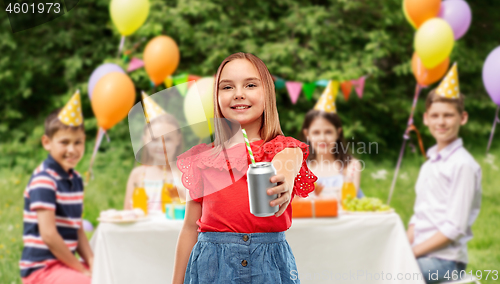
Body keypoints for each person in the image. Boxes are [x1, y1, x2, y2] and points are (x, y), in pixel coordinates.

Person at [172, 52, 318, 284]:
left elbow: (289, 157)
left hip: (269, 267)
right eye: (227, 87)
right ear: (217, 97)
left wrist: (284, 178)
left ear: (267, 93)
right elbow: (190, 227)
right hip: (212, 269)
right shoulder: (203, 159)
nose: (238, 94)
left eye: (250, 84)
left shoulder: (282, 149)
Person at [407, 64, 481, 284]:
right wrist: (402, 246)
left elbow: (454, 228)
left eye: (448, 115)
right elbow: (418, 216)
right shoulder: (429, 165)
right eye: (435, 115)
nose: (441, 122)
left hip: (446, 261)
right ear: (426, 118)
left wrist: (412, 253)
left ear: (463, 118)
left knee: (391, 275)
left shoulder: (463, 165)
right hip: (421, 252)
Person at [19, 92, 94, 284]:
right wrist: (80, 270)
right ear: (47, 142)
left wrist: (92, 262)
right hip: (41, 268)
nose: (72, 149)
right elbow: (49, 235)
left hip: (64, 264)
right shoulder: (44, 179)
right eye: (64, 142)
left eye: (78, 142)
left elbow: (77, 228)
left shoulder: (75, 179)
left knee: (109, 274)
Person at [300, 82, 363, 200]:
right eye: (316, 133)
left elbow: (348, 199)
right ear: (307, 134)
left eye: (328, 132)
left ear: (338, 133)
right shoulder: (301, 169)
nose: (323, 138)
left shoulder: (351, 166)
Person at [125, 94, 186, 212]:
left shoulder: (185, 175)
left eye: (167, 139)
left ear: (178, 139)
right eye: (154, 140)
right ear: (144, 140)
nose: (161, 146)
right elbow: (127, 215)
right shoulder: (137, 175)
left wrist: (184, 196)